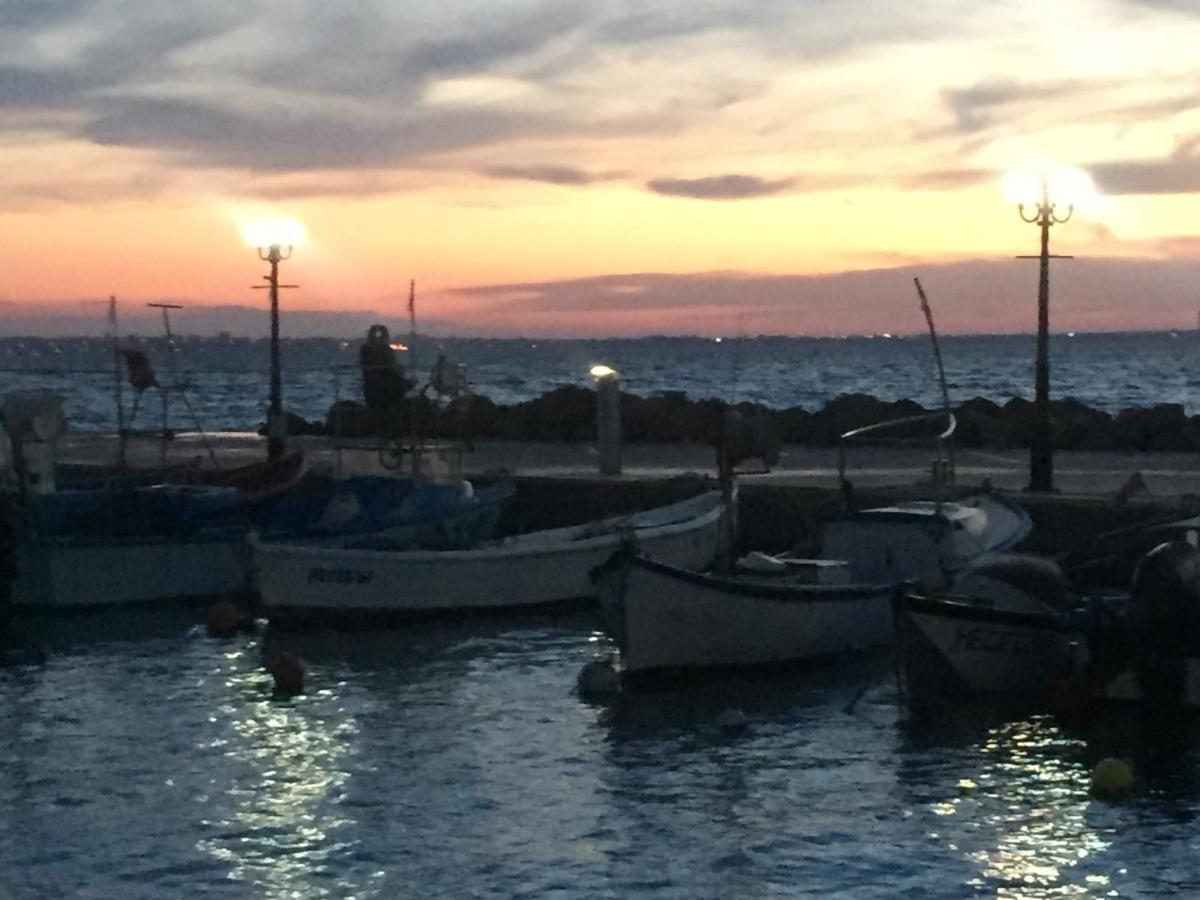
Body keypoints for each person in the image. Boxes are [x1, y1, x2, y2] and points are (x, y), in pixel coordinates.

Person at [359, 324, 414, 412]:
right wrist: (407, 383)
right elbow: (389, 377)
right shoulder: (373, 352)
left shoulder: (367, 351)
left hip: (375, 394)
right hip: (386, 396)